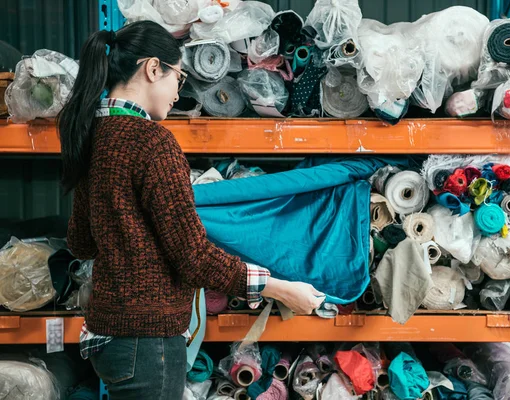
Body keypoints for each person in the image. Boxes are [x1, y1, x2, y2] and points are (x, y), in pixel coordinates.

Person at [58, 20, 323, 399]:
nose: (177, 93)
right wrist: (281, 289)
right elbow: (194, 259)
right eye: (178, 79)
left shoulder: (93, 136)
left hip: (108, 338)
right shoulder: (152, 143)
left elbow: (81, 242)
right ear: (153, 69)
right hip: (147, 342)